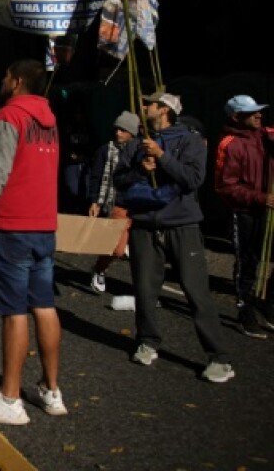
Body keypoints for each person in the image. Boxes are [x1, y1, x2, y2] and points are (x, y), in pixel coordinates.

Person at [0, 59, 64, 425]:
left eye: (5, 75)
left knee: (13, 311)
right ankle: (51, 391)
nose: (1, 80)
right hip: (43, 224)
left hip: (11, 225)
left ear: (16, 81)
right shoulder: (46, 118)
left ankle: (10, 398)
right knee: (44, 305)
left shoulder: (9, 116)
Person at [113, 90, 233, 382]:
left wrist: (163, 157)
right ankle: (147, 341)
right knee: (144, 288)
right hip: (144, 225)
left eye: (147, 104)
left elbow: (193, 179)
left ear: (164, 109)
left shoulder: (190, 140)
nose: (142, 108)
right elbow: (120, 180)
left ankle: (219, 357)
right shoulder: (137, 143)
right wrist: (140, 169)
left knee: (196, 292)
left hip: (182, 225)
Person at [214, 94, 274, 338]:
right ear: (237, 117)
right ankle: (245, 309)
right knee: (247, 261)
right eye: (252, 112)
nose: (259, 115)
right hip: (245, 211)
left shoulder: (268, 134)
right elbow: (225, 186)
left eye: (259, 111)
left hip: (269, 210)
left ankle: (268, 302)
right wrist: (261, 198)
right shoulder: (229, 143)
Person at [85, 111, 140, 295]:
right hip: (117, 203)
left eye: (124, 130)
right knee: (115, 248)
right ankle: (99, 269)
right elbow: (96, 176)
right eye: (117, 129)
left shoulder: (141, 150)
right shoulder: (105, 150)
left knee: (143, 252)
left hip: (139, 204)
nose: (118, 133)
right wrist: (95, 200)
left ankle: (143, 290)